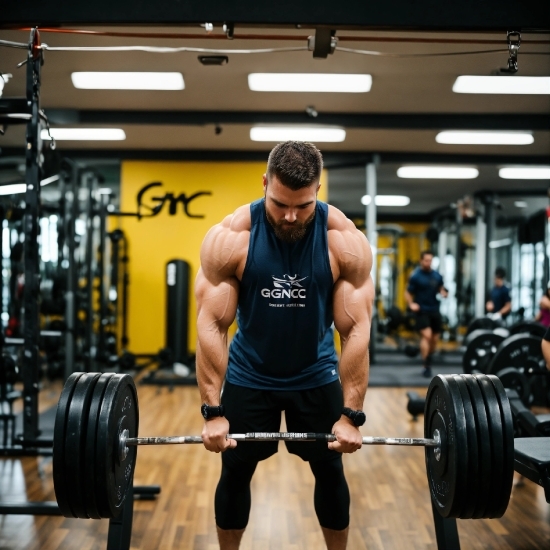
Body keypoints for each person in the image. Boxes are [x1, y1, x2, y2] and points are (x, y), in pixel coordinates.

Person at [195, 141, 374, 550]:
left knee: (330, 470)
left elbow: (357, 330)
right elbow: (211, 323)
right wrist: (213, 410)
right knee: (236, 470)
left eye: (304, 206)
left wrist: (352, 415)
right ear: (264, 184)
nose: (291, 216)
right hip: (249, 374)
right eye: (279, 204)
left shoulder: (343, 242)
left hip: (315, 372)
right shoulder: (231, 239)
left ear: (318, 190)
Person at [404, 251, 448, 377]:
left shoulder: (437, 276)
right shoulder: (416, 276)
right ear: (421, 261)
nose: (428, 263)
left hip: (434, 310)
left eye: (430, 260)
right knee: (427, 336)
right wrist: (411, 304)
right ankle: (426, 365)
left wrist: (444, 293)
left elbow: (441, 288)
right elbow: (407, 293)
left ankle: (426, 354)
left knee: (434, 339)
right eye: (426, 260)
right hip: (422, 310)